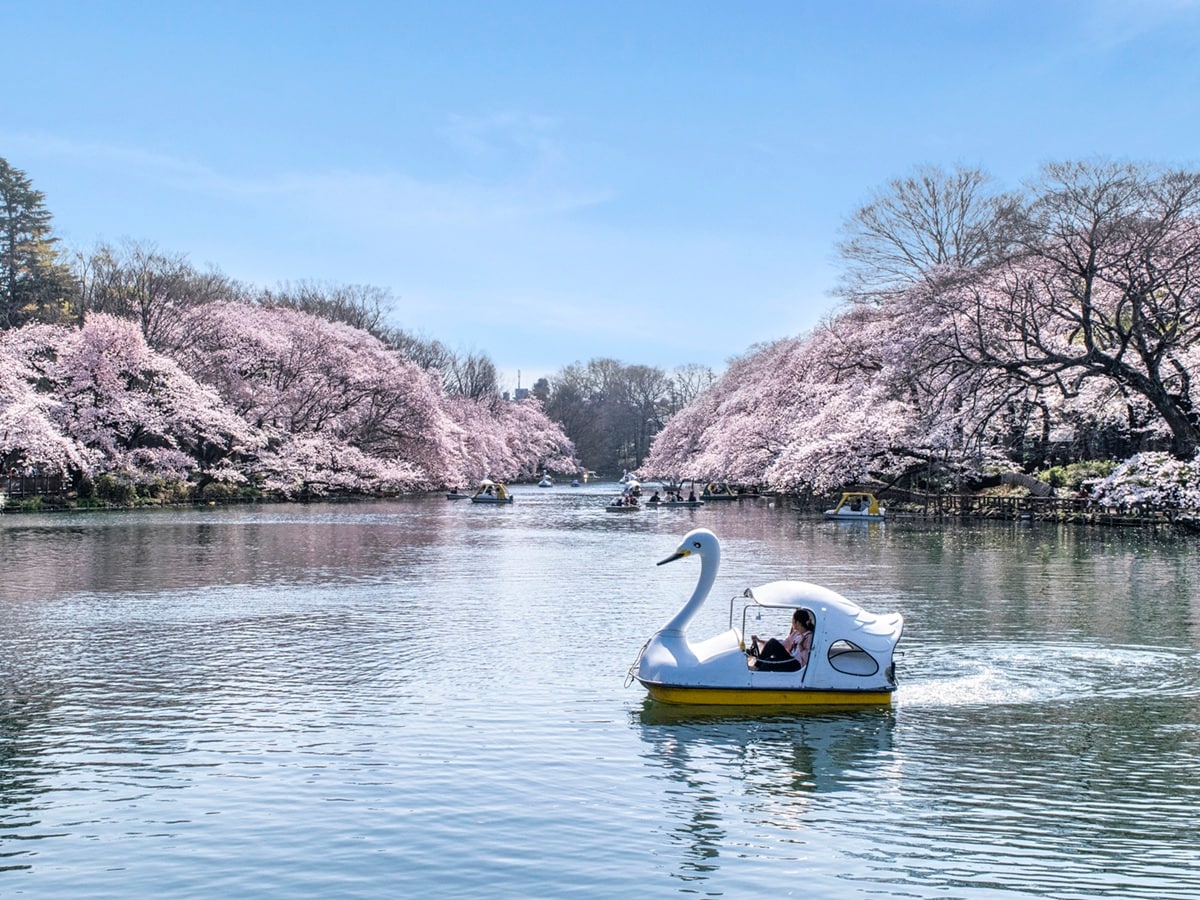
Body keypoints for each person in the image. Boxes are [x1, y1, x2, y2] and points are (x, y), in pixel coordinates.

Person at [749, 609, 815, 670]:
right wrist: (760, 641)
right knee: (772, 645)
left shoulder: (808, 637)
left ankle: (755, 671)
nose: (792, 622)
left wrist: (801, 646)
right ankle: (757, 666)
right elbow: (784, 644)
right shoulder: (796, 634)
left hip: (797, 664)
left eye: (793, 620)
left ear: (797, 622)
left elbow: (807, 659)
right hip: (790, 658)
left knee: (769, 663)